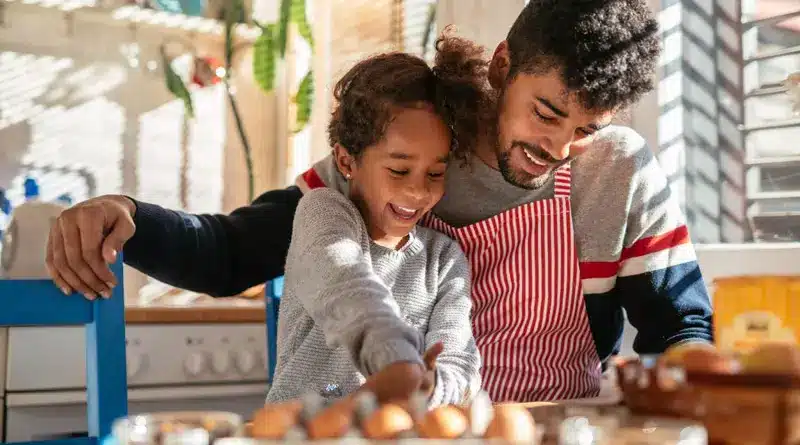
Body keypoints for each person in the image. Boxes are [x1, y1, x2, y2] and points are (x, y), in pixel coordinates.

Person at [46, 0, 714, 403]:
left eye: (585, 132)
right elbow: (226, 252)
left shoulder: (621, 171)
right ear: (504, 67)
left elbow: (681, 331)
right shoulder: (409, 156)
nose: (559, 149)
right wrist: (126, 212)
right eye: (546, 114)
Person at [266, 35, 485, 406]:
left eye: (434, 174)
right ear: (347, 161)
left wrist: (429, 386)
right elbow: (348, 288)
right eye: (399, 170)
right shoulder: (322, 213)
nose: (418, 192)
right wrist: (395, 359)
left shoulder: (444, 260)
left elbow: (460, 361)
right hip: (303, 431)